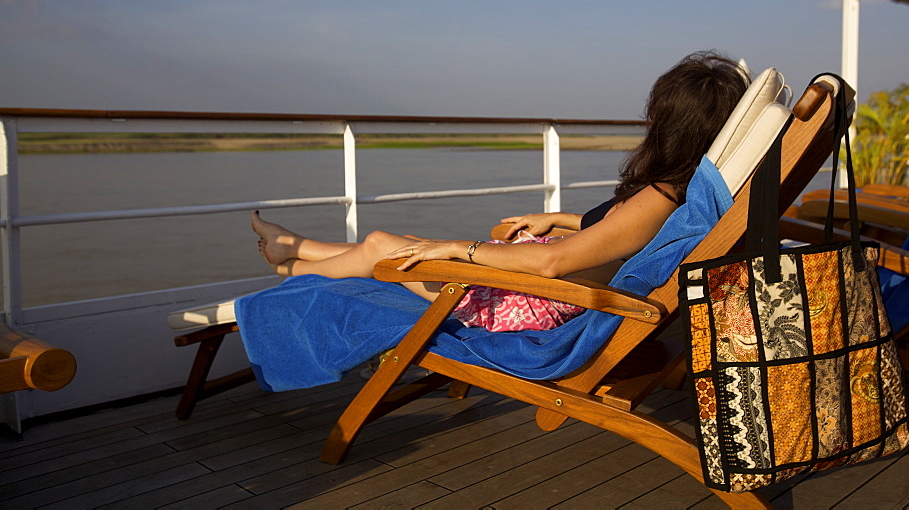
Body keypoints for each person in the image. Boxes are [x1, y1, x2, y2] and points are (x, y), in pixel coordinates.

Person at [251, 50, 750, 332]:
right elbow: (620, 236)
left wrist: (460, 250)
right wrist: (559, 220)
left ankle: (293, 266)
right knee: (386, 248)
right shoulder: (680, 194)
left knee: (383, 245)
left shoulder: (660, 196)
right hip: (538, 288)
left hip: (529, 302)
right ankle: (294, 252)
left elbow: (552, 265)